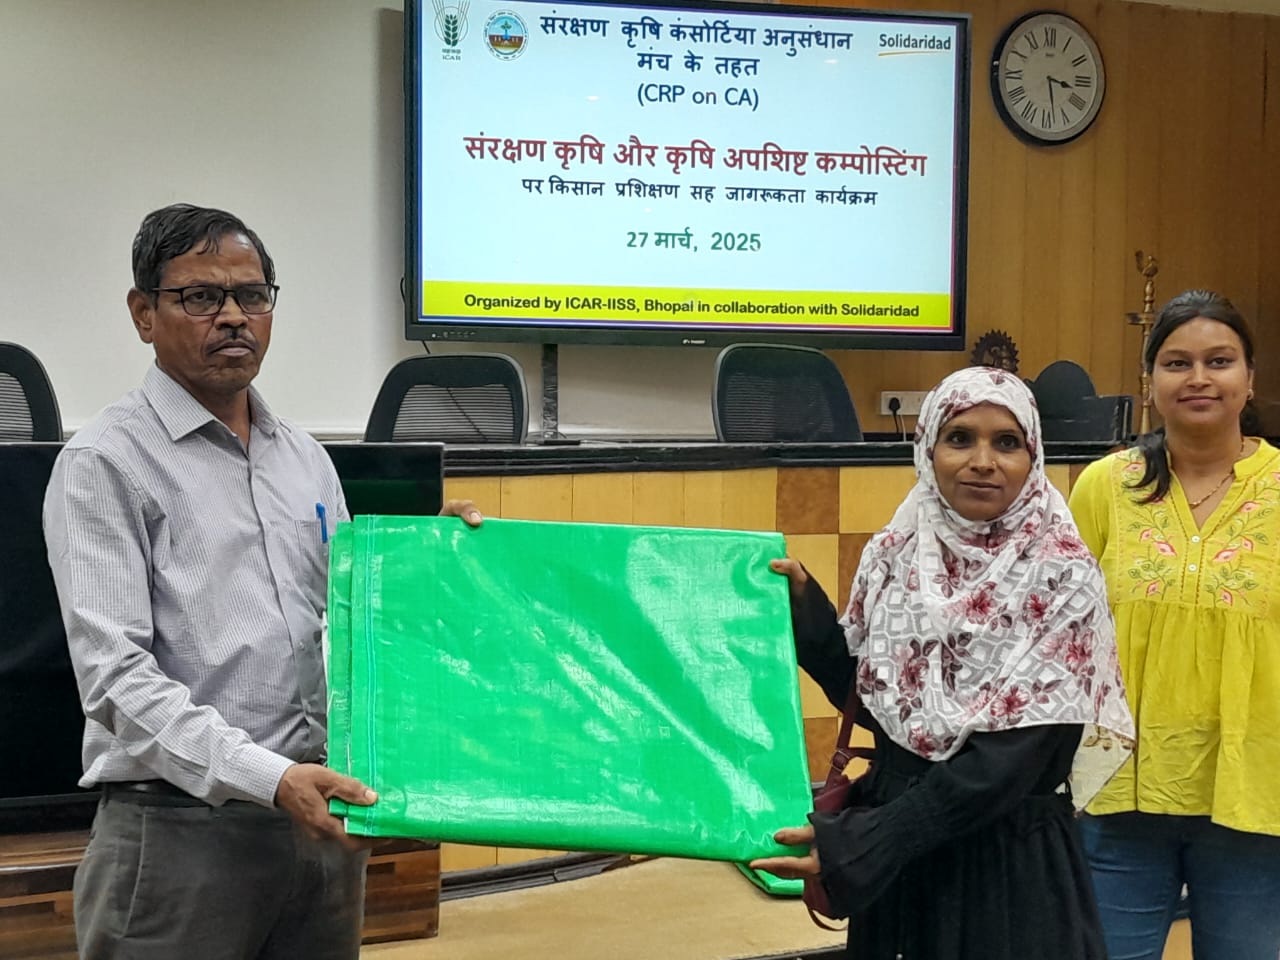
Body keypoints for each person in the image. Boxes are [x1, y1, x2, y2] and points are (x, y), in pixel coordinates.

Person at [43, 203, 481, 960]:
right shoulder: (104, 463)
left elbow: (341, 623)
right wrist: (271, 778)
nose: (233, 317)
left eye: (252, 295)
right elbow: (114, 680)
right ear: (143, 314)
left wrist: (425, 565)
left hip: (319, 825)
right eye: (201, 297)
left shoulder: (305, 459)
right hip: (180, 834)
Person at [751, 366, 1134, 960]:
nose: (983, 461)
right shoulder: (897, 553)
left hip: (1004, 864)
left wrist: (870, 842)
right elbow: (878, 702)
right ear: (927, 449)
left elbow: (1009, 763)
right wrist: (808, 618)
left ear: (1033, 457)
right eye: (959, 438)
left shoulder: (1062, 575)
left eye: (1006, 442)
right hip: (904, 860)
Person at [1067, 290, 1280, 960]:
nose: (1198, 378)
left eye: (1219, 361)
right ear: (1150, 380)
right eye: (1177, 362)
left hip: (1254, 795)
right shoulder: (1105, 486)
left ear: (1250, 378)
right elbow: (1063, 631)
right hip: (1118, 791)